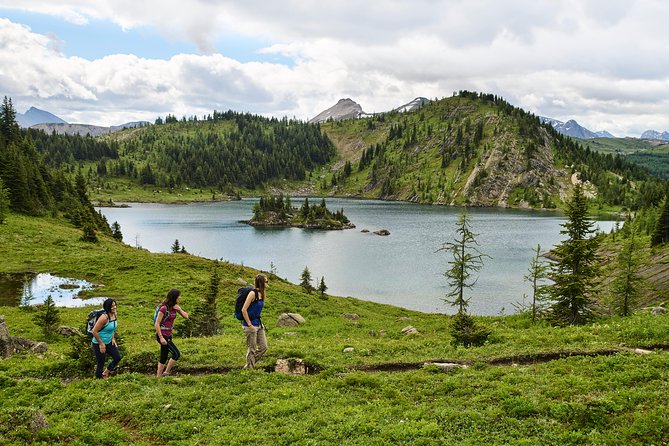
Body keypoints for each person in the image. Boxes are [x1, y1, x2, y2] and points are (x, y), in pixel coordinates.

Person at [155, 288, 189, 377]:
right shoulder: (163, 308)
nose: (180, 297)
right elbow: (157, 323)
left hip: (169, 335)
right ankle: (166, 373)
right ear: (174, 297)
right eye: (179, 296)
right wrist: (161, 337)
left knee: (164, 355)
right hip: (162, 335)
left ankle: (158, 377)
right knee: (176, 354)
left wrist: (179, 310)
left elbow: (186, 316)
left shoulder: (175, 307)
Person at [241, 274, 268, 369]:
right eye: (266, 281)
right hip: (250, 325)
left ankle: (248, 365)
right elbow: (244, 309)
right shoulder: (253, 294)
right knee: (252, 349)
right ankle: (249, 370)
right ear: (261, 282)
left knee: (264, 347)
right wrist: (250, 324)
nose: (267, 283)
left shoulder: (262, 293)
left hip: (259, 324)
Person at [91, 298, 121, 379]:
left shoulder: (115, 314)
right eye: (112, 306)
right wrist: (101, 344)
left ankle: (105, 373)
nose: (114, 307)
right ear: (107, 307)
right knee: (101, 362)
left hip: (109, 342)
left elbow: (113, 328)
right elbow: (94, 331)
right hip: (98, 343)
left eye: (115, 305)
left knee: (117, 357)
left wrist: (113, 338)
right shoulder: (104, 317)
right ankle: (98, 380)